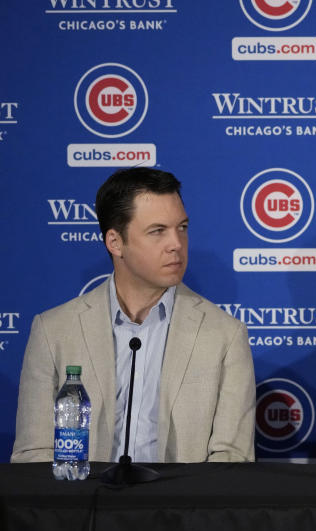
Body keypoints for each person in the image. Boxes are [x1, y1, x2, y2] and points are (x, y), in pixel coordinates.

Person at [12, 167, 256, 463]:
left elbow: (231, 460)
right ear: (115, 242)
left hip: (181, 506)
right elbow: (33, 454)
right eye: (158, 231)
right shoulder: (53, 331)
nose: (176, 244)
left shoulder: (225, 335)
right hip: (82, 504)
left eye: (182, 228)